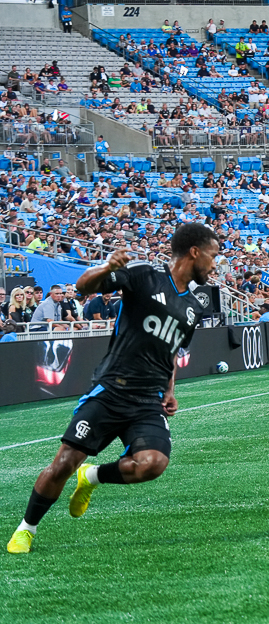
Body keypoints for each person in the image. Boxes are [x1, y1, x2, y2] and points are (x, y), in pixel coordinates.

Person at [7, 223, 219, 554]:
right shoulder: (145, 275)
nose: (215, 264)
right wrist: (107, 267)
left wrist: (170, 390)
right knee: (64, 463)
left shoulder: (194, 305)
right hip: (111, 391)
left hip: (148, 400)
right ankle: (26, 529)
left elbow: (171, 351)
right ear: (195, 252)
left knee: (153, 463)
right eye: (213, 255)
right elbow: (83, 286)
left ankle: (91, 476)